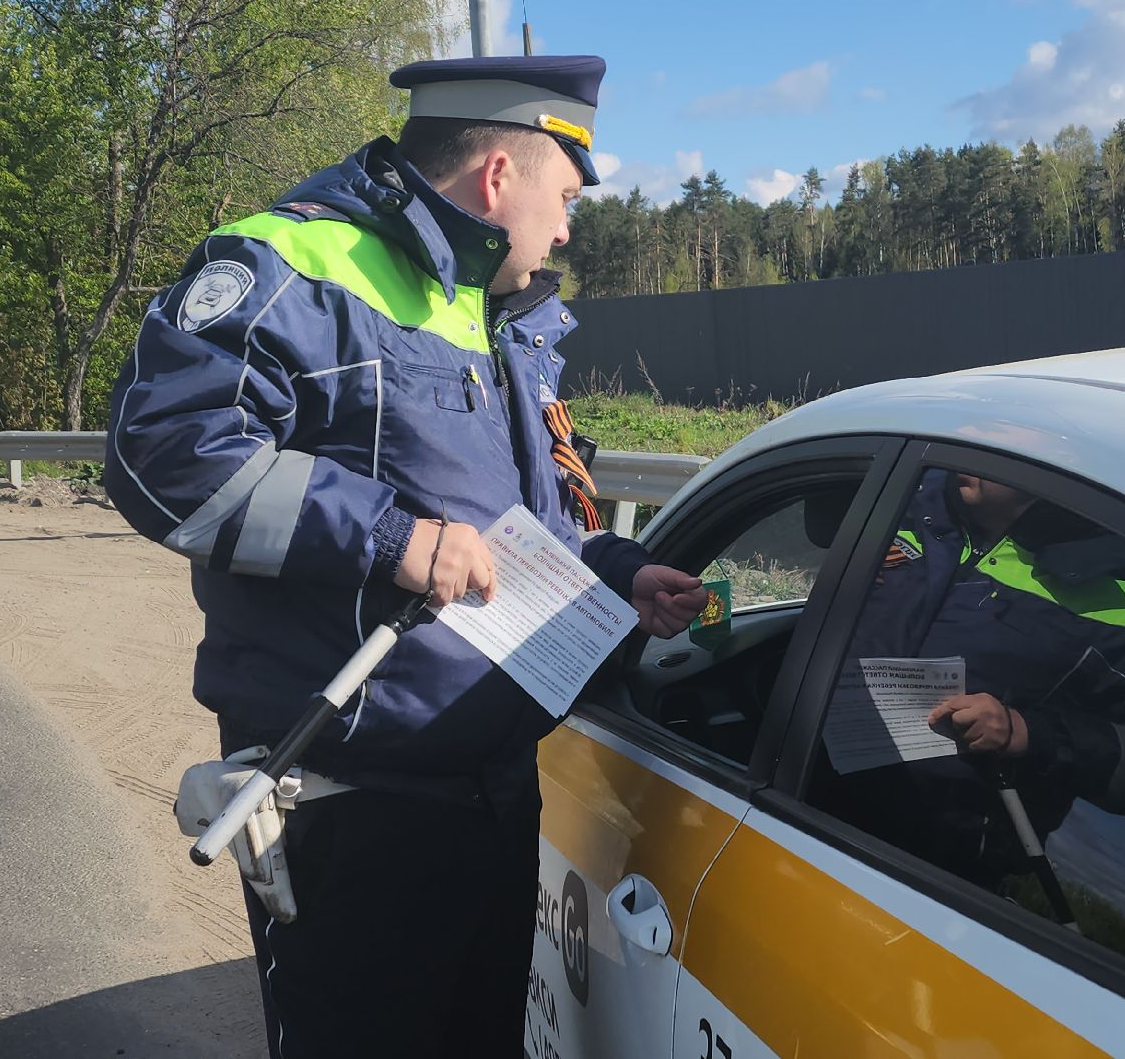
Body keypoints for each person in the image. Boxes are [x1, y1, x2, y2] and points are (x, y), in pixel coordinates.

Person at [102, 54, 708, 1058]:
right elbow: (163, 458)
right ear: (499, 177)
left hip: (491, 790)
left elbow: (516, 523)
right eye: (563, 197)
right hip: (350, 802)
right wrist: (389, 537)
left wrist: (614, 571)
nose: (565, 229)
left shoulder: (501, 317)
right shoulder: (291, 268)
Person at [813, 469, 1125, 893]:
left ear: (1061, 465)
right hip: (798, 797)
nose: (972, 439)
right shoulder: (903, 506)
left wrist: (1025, 733)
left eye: (1001, 432)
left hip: (922, 874)